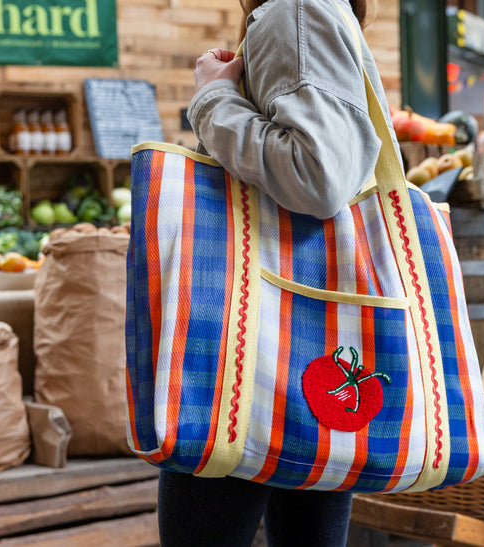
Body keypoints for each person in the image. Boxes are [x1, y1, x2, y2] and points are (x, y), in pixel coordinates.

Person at [159, 0, 396, 545]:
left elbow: (317, 177)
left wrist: (212, 96)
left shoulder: (293, 9)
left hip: (248, 340)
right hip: (312, 332)